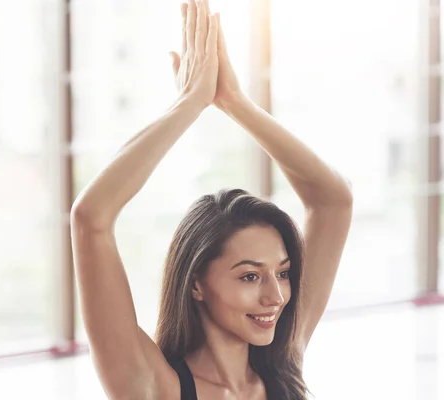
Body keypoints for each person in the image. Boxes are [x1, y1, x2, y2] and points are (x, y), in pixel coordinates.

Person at [70, 0, 353, 399]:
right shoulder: (152, 385)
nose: (276, 296)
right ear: (197, 283)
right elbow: (90, 217)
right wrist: (189, 104)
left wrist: (236, 103)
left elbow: (333, 200)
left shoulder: (282, 366)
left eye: (283, 272)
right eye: (250, 276)